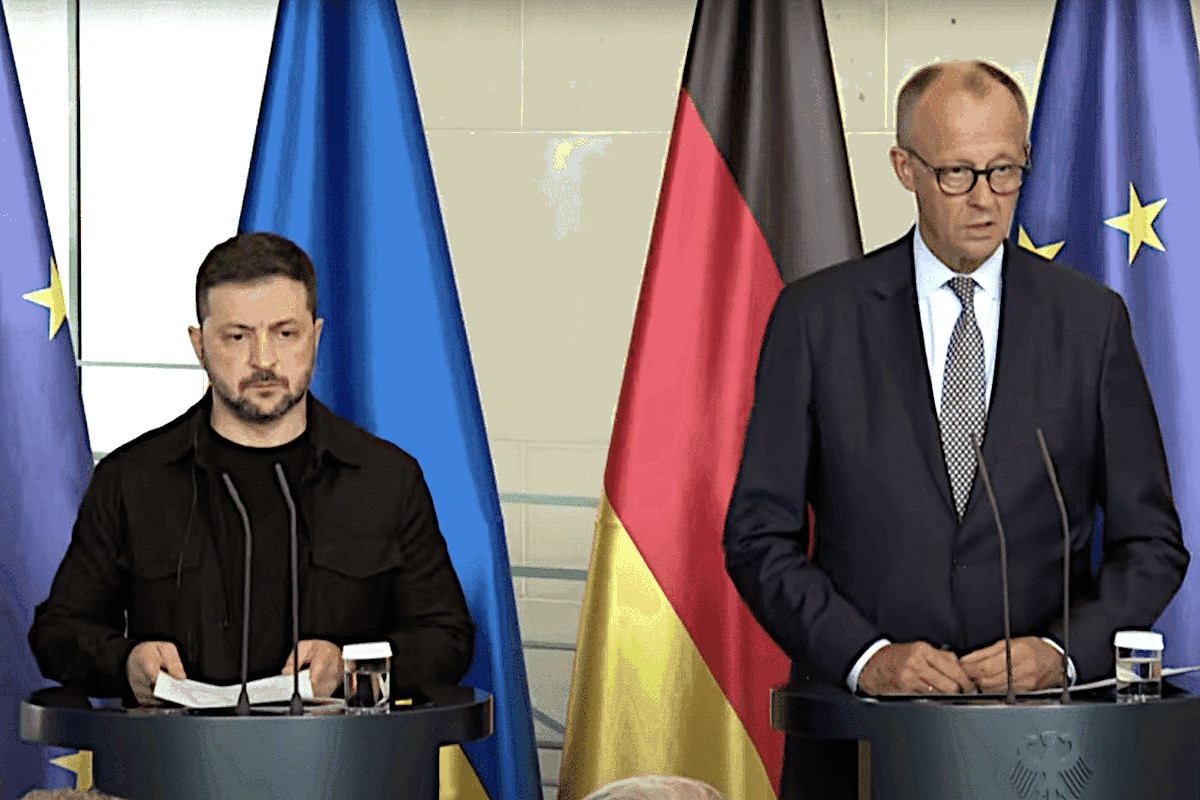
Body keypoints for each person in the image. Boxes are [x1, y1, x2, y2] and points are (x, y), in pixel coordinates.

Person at [723, 60, 1188, 797]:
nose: (984, 199)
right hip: (862, 741)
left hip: (1043, 747)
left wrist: (1062, 652)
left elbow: (1153, 543)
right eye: (957, 174)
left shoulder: (1090, 320)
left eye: (1005, 171)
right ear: (905, 168)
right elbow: (757, 536)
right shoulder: (817, 318)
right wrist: (865, 657)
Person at [30, 232, 475, 706]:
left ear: (315, 337)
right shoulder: (131, 479)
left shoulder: (386, 478)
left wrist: (350, 667)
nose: (264, 359)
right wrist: (126, 662)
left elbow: (448, 639)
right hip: (174, 749)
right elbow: (58, 633)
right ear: (200, 345)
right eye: (237, 336)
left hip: (336, 750)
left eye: (286, 334)